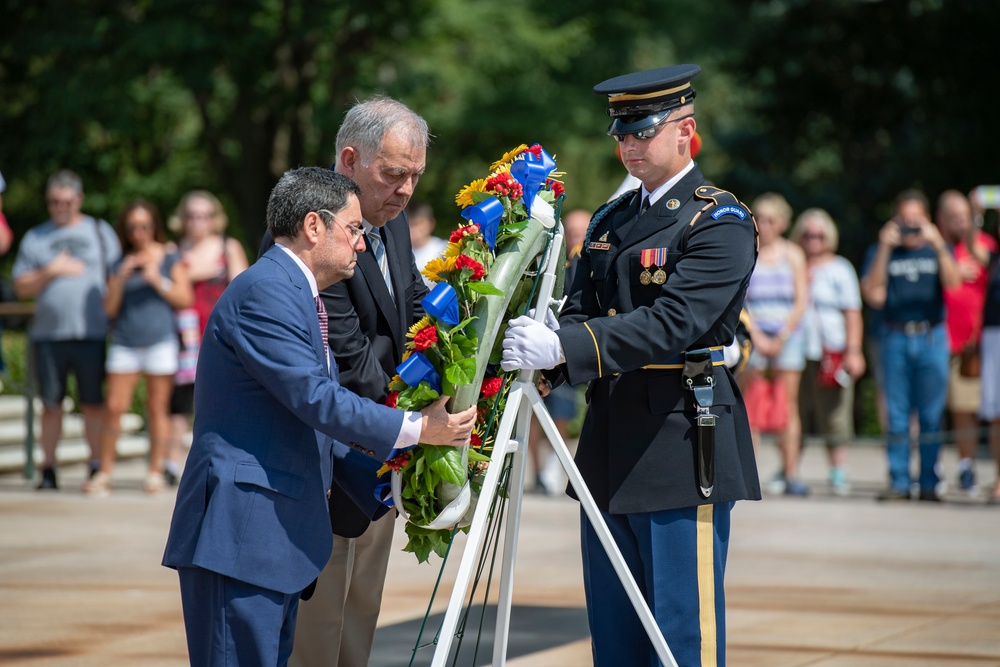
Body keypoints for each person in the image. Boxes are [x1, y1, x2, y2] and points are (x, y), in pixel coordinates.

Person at [161, 167, 476, 666]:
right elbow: (315, 398)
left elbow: (311, 419)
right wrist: (418, 430)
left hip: (272, 539)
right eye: (353, 229)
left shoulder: (296, 292)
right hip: (243, 535)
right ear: (314, 226)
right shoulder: (268, 291)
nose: (362, 244)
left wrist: (398, 484)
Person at [501, 64, 761, 666]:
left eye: (642, 131)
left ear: (684, 130)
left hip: (678, 438)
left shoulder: (718, 221)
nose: (629, 145)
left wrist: (566, 348)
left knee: (679, 636)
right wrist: (542, 346)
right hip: (610, 443)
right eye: (621, 134)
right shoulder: (610, 221)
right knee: (615, 638)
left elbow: (674, 322)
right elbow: (584, 309)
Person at [285, 96, 431, 667]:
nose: (406, 191)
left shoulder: (387, 221)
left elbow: (411, 302)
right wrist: (419, 422)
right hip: (334, 457)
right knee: (318, 630)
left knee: (360, 616)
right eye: (394, 173)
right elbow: (347, 355)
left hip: (381, 448)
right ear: (350, 160)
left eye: (415, 176)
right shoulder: (315, 232)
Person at [12, 169, 121, 490]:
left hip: (92, 332)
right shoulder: (36, 237)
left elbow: (116, 279)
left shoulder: (100, 232)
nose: (60, 208)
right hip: (48, 335)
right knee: (50, 404)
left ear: (79, 199)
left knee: (93, 403)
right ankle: (48, 469)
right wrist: (52, 270)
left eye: (66, 202)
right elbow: (21, 286)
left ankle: (95, 465)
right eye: (53, 202)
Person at [82, 200, 193, 496]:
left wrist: (157, 279)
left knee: (157, 408)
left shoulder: (169, 257)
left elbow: (184, 298)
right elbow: (108, 308)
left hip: (160, 341)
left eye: (144, 226)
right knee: (114, 407)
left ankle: (154, 472)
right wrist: (120, 278)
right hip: (126, 342)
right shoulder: (120, 262)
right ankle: (104, 472)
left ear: (153, 226)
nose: (139, 232)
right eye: (132, 227)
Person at [861, 189, 959, 502]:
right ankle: (900, 481)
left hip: (932, 336)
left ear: (928, 220)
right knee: (897, 413)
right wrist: (886, 248)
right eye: (905, 221)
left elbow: (955, 284)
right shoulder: (883, 250)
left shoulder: (937, 249)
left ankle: (930, 482)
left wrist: (938, 244)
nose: (911, 227)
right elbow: (873, 293)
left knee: (932, 415)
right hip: (895, 336)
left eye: (917, 221)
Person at [163, 190, 249, 486]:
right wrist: (196, 273)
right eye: (192, 216)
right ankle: (171, 462)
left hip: (218, 332)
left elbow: (243, 286)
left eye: (204, 216)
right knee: (179, 401)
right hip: (182, 334)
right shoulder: (172, 249)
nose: (197, 222)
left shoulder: (228, 246)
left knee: (221, 397)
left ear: (214, 219)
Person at [790, 208, 865, 496]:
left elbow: (852, 313)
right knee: (796, 411)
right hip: (796, 349)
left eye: (819, 235)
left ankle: (838, 469)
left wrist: (854, 351)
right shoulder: (793, 262)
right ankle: (790, 469)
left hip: (830, 350)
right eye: (807, 235)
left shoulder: (840, 268)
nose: (813, 240)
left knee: (834, 410)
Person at [741, 192, 810, 496]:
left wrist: (780, 337)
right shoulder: (747, 251)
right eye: (759, 217)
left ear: (782, 223)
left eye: (770, 219)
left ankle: (791, 472)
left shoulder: (793, 254)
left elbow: (801, 300)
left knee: (788, 405)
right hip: (754, 335)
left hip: (787, 337)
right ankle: (749, 471)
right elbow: (741, 299)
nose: (763, 225)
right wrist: (756, 336)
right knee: (750, 405)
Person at [935, 190, 995, 495]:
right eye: (955, 217)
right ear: (941, 219)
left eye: (965, 217)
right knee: (933, 409)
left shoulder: (984, 247)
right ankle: (933, 469)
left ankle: (966, 465)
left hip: (970, 344)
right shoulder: (935, 247)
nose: (961, 223)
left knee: (965, 408)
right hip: (936, 339)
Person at [528, 207, 589, 495]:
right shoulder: (555, 265)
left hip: (566, 348)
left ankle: (555, 467)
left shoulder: (586, 266)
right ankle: (539, 472)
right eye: (573, 231)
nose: (577, 237)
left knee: (562, 416)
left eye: (582, 231)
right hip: (539, 346)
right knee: (530, 417)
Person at [977, 192, 1000, 505]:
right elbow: (972, 246)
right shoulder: (994, 257)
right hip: (994, 334)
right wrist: (976, 213)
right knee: (996, 413)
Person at [408, 202, 447, 287]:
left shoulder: (443, 250)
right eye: (409, 225)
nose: (414, 229)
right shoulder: (401, 252)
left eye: (418, 223)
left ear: (431, 223)